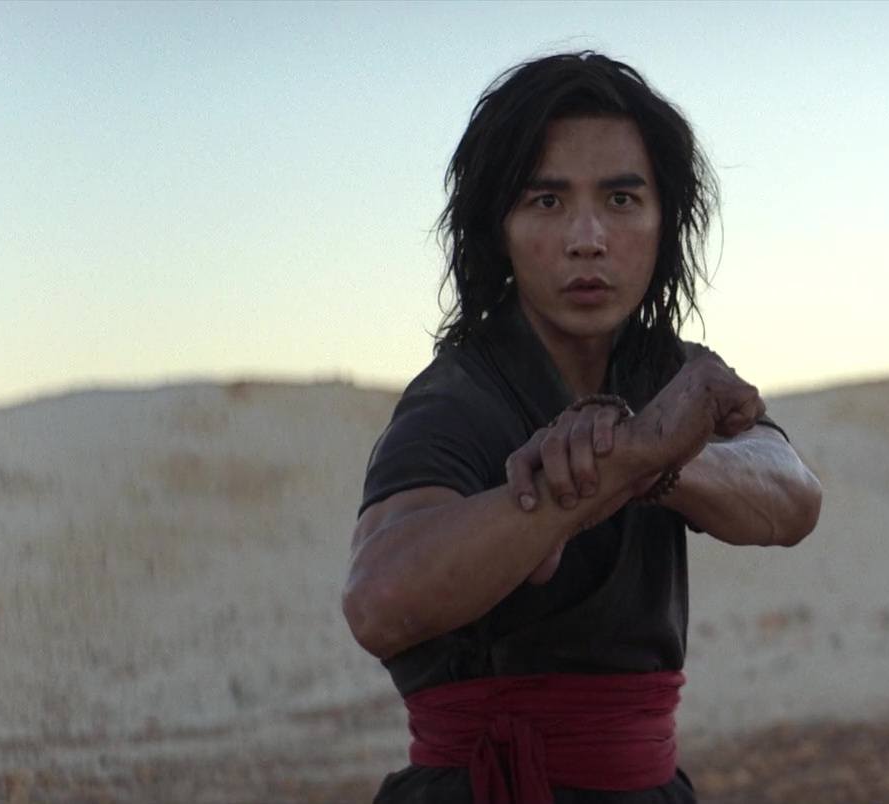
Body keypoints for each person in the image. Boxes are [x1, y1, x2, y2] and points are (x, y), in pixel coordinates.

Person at [342, 52, 823, 804]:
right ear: (498, 226)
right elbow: (379, 600)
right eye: (547, 200)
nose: (588, 238)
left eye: (622, 199)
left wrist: (656, 458)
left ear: (664, 222)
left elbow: (794, 496)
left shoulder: (666, 373)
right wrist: (607, 468)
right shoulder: (459, 398)